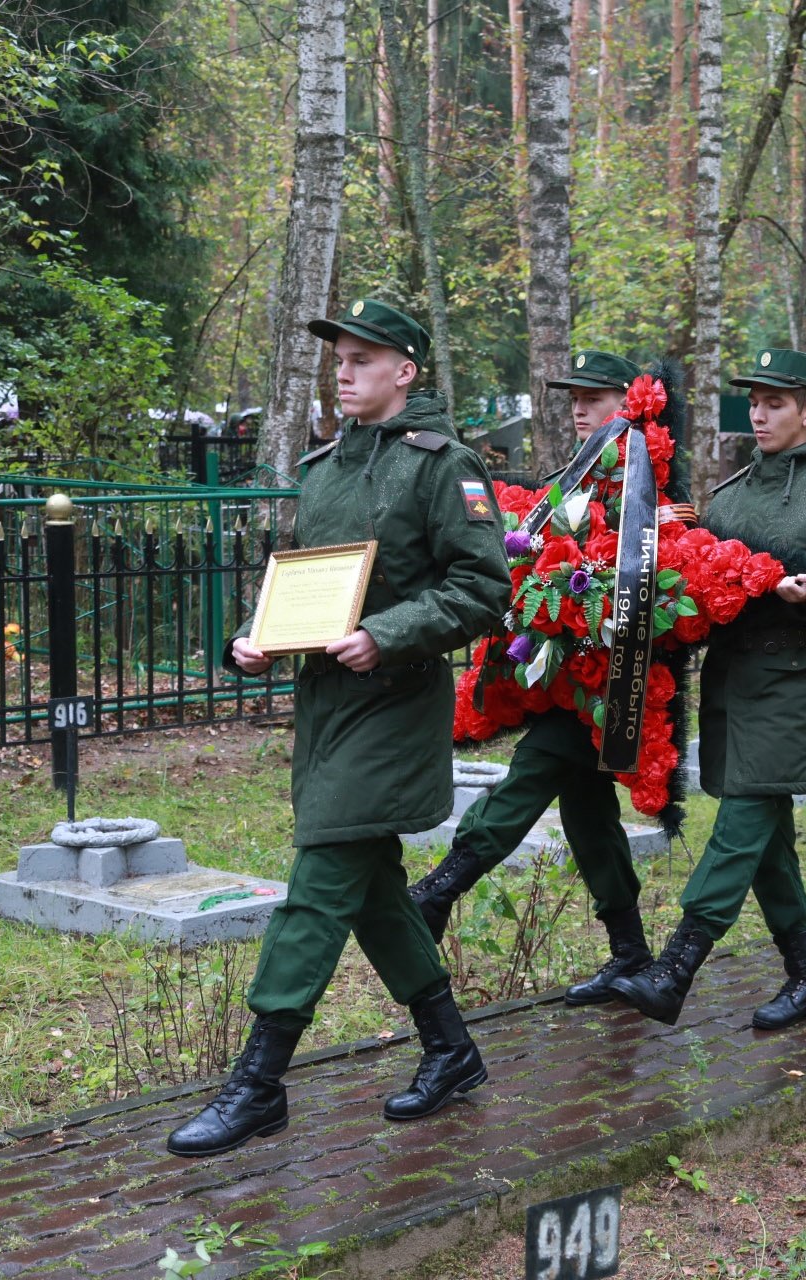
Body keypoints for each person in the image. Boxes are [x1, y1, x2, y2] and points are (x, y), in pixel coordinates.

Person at [167, 299, 512, 1158]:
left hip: (395, 701)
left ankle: (258, 1083)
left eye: (364, 357)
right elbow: (302, 586)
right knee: (373, 888)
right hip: (324, 706)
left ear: (407, 370)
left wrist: (384, 634)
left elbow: (483, 590)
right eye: (339, 359)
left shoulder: (443, 466)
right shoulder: (324, 467)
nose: (344, 371)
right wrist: (253, 641)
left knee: (321, 879)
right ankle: (451, 1049)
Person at [609, 348, 806, 1029]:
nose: (761, 414)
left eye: (776, 403)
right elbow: (703, 587)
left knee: (741, 824)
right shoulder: (732, 493)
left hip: (799, 684)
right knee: (767, 840)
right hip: (734, 682)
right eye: (755, 402)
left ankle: (677, 966)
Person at [407, 350, 696, 1007]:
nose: (577, 407)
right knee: (587, 814)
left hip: (618, 678)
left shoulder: (648, 474)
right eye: (572, 396)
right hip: (572, 671)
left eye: (593, 397)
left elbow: (655, 564)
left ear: (631, 401)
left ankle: (438, 891)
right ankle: (630, 953)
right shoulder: (581, 473)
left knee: (533, 773)